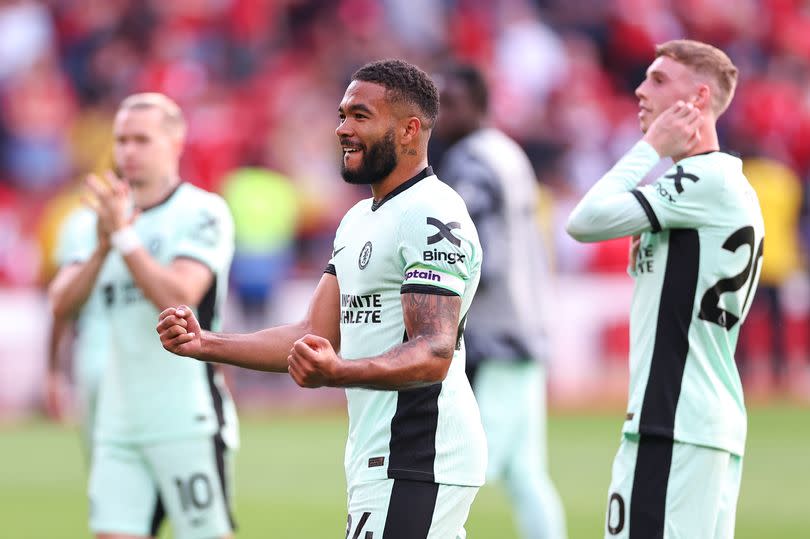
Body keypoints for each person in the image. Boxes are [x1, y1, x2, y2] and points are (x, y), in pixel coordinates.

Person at [157, 59, 487, 539]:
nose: (342, 129)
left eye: (360, 116)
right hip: (381, 456)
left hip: (419, 452)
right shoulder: (358, 220)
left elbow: (433, 353)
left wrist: (338, 372)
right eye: (342, 115)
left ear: (410, 131)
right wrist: (204, 342)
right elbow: (312, 336)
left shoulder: (431, 213)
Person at [566, 40, 764, 538]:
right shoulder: (717, 185)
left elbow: (585, 220)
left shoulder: (701, 181)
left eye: (657, 80)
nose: (639, 90)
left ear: (696, 99)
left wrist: (649, 148)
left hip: (672, 423)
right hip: (701, 423)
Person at [48, 92, 238, 539]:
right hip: (116, 419)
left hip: (185, 414)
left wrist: (124, 240)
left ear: (175, 142)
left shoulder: (201, 211)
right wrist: (102, 244)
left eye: (141, 140)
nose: (127, 151)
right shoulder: (91, 221)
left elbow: (180, 294)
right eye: (121, 140)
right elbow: (60, 303)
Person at [433, 64, 567, 539]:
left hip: (496, 335)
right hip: (526, 324)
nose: (440, 114)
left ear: (480, 105)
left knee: (457, 463)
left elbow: (477, 259)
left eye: (451, 103)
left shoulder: (470, 161)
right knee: (525, 471)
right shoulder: (508, 153)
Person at [46, 205, 112, 461]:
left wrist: (53, 370)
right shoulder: (83, 222)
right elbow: (60, 302)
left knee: (103, 464)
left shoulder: (79, 222)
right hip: (98, 354)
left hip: (95, 356)